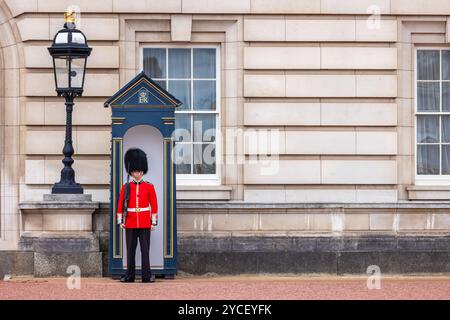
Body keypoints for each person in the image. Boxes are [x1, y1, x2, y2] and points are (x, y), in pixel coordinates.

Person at [117, 148, 158, 283]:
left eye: (139, 171)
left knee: (145, 251)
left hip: (145, 222)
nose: (137, 174)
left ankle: (146, 275)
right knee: (130, 251)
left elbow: (154, 205)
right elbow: (120, 204)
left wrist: (153, 222)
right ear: (131, 171)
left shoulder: (149, 186)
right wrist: (120, 221)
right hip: (130, 221)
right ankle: (130, 275)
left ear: (143, 171)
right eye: (134, 171)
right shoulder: (126, 187)